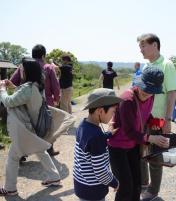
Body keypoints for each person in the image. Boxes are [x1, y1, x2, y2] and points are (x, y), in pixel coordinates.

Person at [0, 58, 61, 196]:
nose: (20, 70)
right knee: (40, 149)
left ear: (26, 71)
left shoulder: (28, 88)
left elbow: (9, 102)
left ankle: (10, 188)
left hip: (26, 128)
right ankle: (54, 177)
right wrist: (13, 87)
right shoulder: (37, 85)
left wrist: (2, 90)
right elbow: (27, 97)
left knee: (13, 157)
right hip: (34, 126)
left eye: (21, 68)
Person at [108, 68, 169, 201]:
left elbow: (145, 114)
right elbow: (129, 131)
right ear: (139, 84)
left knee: (137, 184)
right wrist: (151, 138)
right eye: (145, 90)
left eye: (151, 92)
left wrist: (153, 121)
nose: (147, 94)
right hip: (118, 146)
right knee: (125, 187)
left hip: (133, 145)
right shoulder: (127, 100)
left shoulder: (150, 96)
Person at [137, 33, 176, 201]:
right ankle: (143, 183)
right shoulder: (146, 67)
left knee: (155, 154)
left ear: (155, 45)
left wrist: (167, 120)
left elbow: (171, 93)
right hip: (143, 117)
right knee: (140, 150)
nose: (141, 51)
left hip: (158, 118)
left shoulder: (167, 65)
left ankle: (153, 190)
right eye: (140, 47)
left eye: (143, 46)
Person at [10, 44, 61, 156]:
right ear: (43, 55)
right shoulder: (48, 67)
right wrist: (57, 99)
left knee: (27, 126)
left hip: (26, 101)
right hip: (46, 102)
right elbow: (55, 86)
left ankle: (22, 154)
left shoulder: (23, 66)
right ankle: (49, 149)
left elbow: (13, 81)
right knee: (47, 126)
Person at [73, 88, 122, 201]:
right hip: (93, 189)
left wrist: (108, 134)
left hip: (81, 183)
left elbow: (90, 144)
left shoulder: (83, 126)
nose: (113, 116)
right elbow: (100, 171)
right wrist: (115, 183)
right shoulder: (96, 137)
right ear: (100, 111)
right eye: (112, 112)